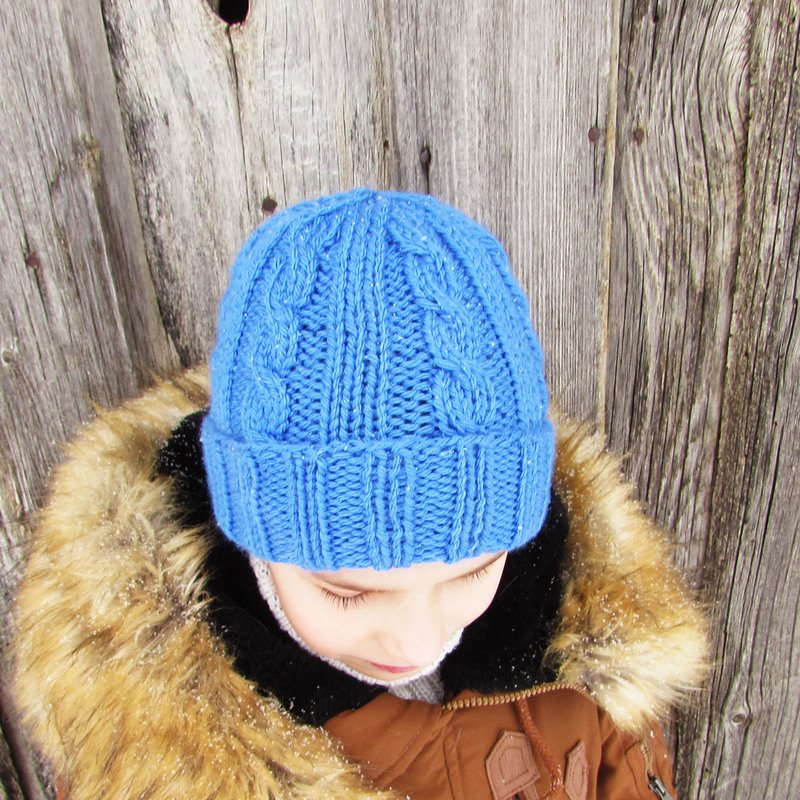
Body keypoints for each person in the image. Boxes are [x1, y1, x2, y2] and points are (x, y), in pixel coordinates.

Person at [12, 188, 709, 800]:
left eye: (473, 572)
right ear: (252, 536)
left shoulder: (578, 639)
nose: (418, 640)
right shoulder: (151, 753)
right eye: (347, 593)